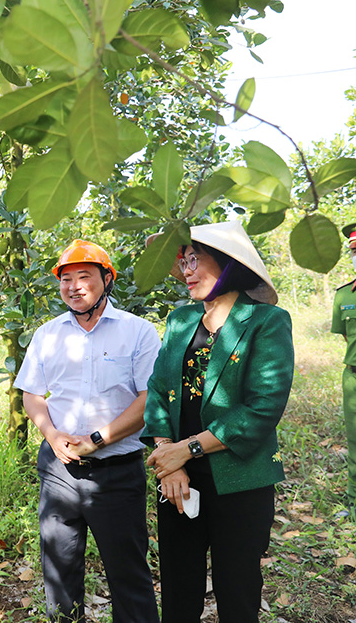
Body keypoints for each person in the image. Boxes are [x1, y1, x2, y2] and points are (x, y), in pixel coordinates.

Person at [143, 220, 293, 623]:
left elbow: (262, 408)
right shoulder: (180, 321)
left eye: (197, 259)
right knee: (177, 584)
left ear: (228, 265)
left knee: (237, 585)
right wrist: (165, 457)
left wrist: (184, 449)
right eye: (183, 260)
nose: (187, 269)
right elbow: (158, 388)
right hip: (179, 477)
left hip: (239, 478)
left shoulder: (266, 321)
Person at [14, 240, 161, 623]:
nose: (74, 286)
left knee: (128, 574)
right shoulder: (48, 335)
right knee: (59, 576)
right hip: (59, 471)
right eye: (66, 278)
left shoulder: (138, 332)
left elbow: (149, 400)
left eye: (84, 276)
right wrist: (50, 433)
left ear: (107, 280)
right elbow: (31, 394)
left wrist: (97, 439)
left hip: (117, 472)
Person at [330, 225, 356, 518]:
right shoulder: (343, 295)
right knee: (355, 441)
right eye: (353, 252)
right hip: (353, 377)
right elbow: (348, 338)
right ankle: (353, 500)